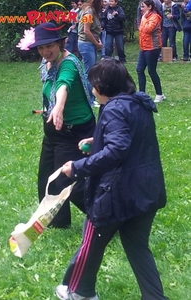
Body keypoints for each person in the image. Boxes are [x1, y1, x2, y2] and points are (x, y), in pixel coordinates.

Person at [55, 58, 168, 300]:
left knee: (91, 244)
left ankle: (78, 291)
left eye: (94, 85)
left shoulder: (115, 109)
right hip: (146, 192)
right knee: (138, 247)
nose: (93, 90)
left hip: (116, 195)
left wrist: (77, 167)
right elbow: (131, 138)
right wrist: (98, 141)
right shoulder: (138, 103)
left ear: (103, 87)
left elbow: (117, 151)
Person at [28, 22, 96, 228]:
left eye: (49, 46)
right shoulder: (47, 63)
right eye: (41, 47)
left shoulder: (69, 63)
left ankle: (107, 216)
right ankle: (57, 221)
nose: (45, 51)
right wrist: (53, 111)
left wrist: (58, 107)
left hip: (74, 130)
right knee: (46, 177)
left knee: (67, 180)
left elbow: (63, 85)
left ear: (60, 43)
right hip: (54, 130)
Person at [136, 0, 165, 103]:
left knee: (151, 71)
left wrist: (143, 18)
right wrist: (144, 19)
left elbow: (147, 30)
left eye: (143, 6)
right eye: (140, 6)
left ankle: (159, 94)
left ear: (149, 7)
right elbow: (140, 29)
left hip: (153, 48)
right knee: (139, 69)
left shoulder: (155, 17)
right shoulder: (145, 17)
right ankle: (141, 94)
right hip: (144, 47)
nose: (141, 8)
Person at [77, 0, 103, 103]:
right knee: (90, 73)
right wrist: (97, 44)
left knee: (91, 71)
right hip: (86, 44)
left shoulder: (92, 11)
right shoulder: (89, 12)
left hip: (89, 44)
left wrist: (98, 40)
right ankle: (89, 100)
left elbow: (93, 30)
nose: (103, 3)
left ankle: (90, 97)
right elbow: (86, 30)